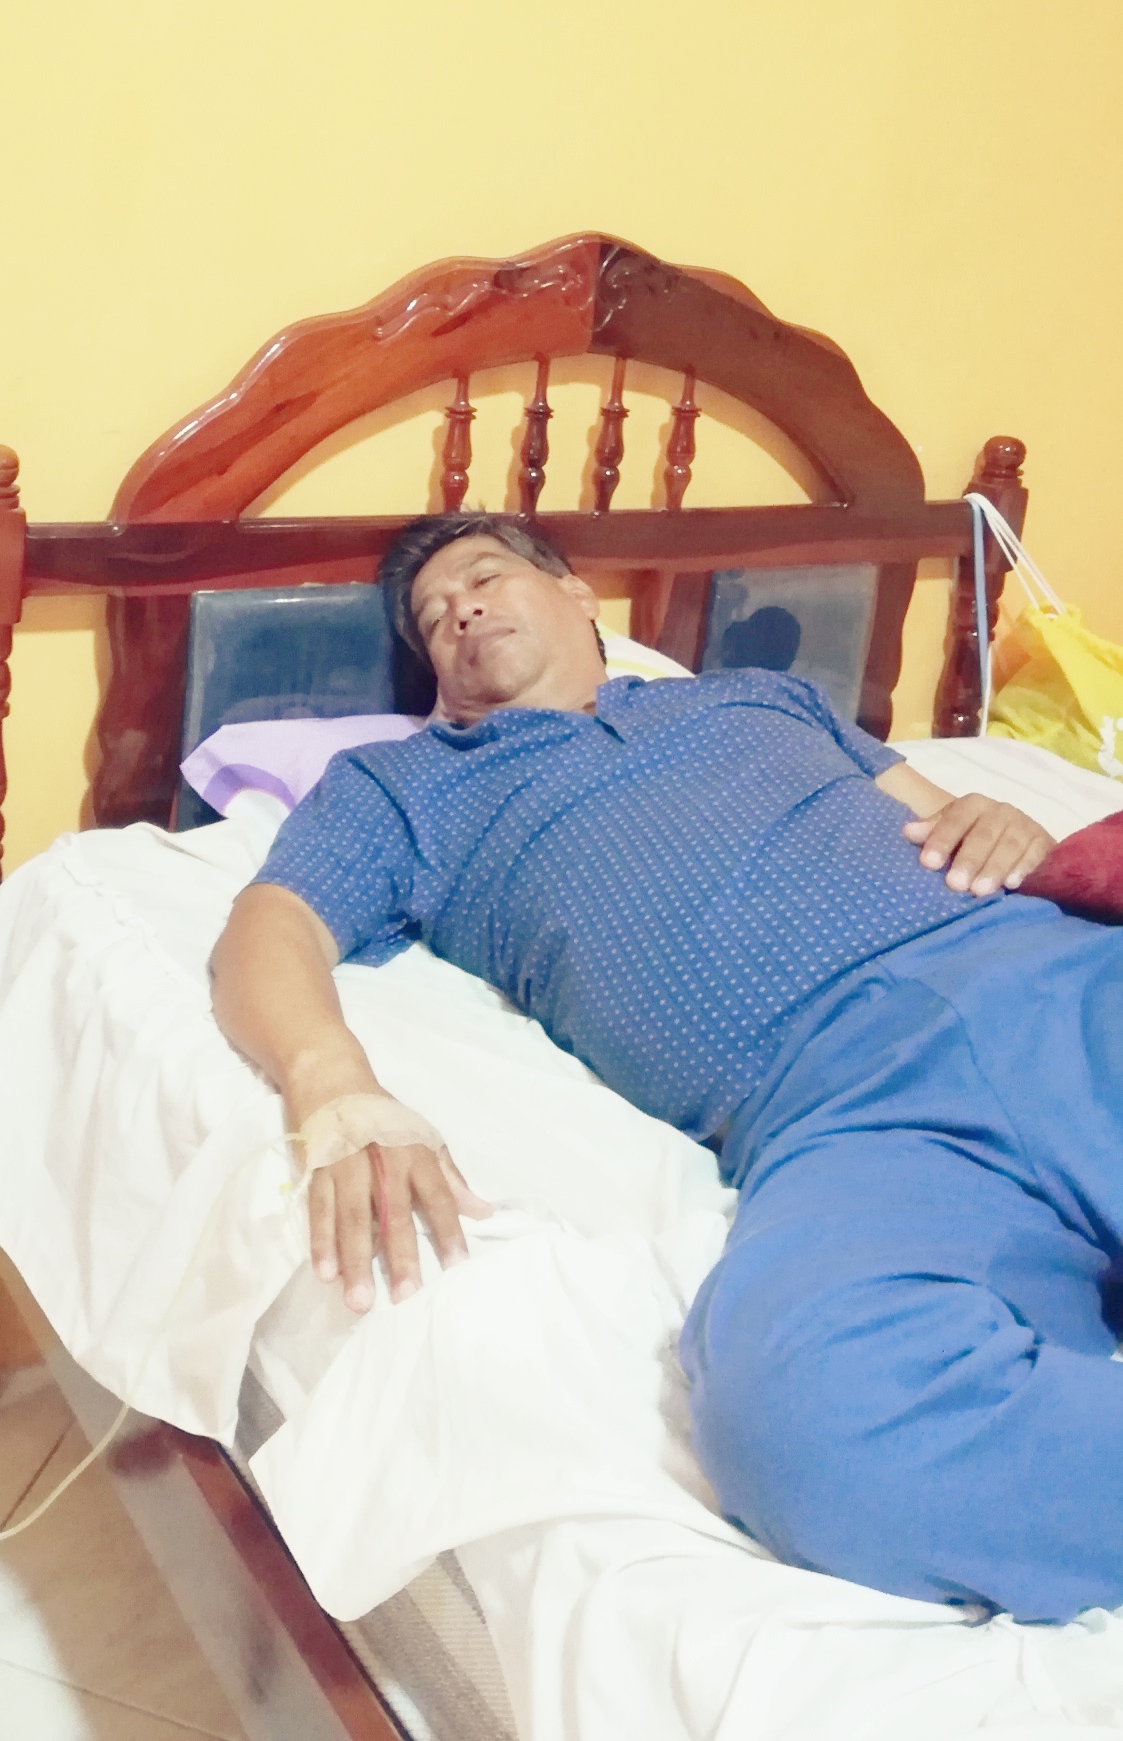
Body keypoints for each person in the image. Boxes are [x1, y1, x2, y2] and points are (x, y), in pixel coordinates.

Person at [209, 514, 1123, 1624]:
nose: (460, 613)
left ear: (577, 594)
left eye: (483, 578)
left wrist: (997, 820)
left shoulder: (758, 698)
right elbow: (269, 925)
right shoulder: (403, 789)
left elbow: (951, 818)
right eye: (433, 619)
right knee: (807, 1418)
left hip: (1050, 983)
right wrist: (332, 1082)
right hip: (849, 1114)